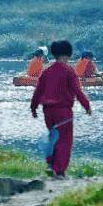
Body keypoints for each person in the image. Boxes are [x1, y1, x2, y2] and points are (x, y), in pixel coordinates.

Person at [30, 39, 92, 177]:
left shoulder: (46, 71)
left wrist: (33, 108)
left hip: (48, 112)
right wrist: (86, 105)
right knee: (65, 141)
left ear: (54, 54)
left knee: (53, 138)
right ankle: (59, 171)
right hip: (63, 112)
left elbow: (38, 91)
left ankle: (51, 165)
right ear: (68, 55)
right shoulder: (69, 71)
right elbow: (78, 91)